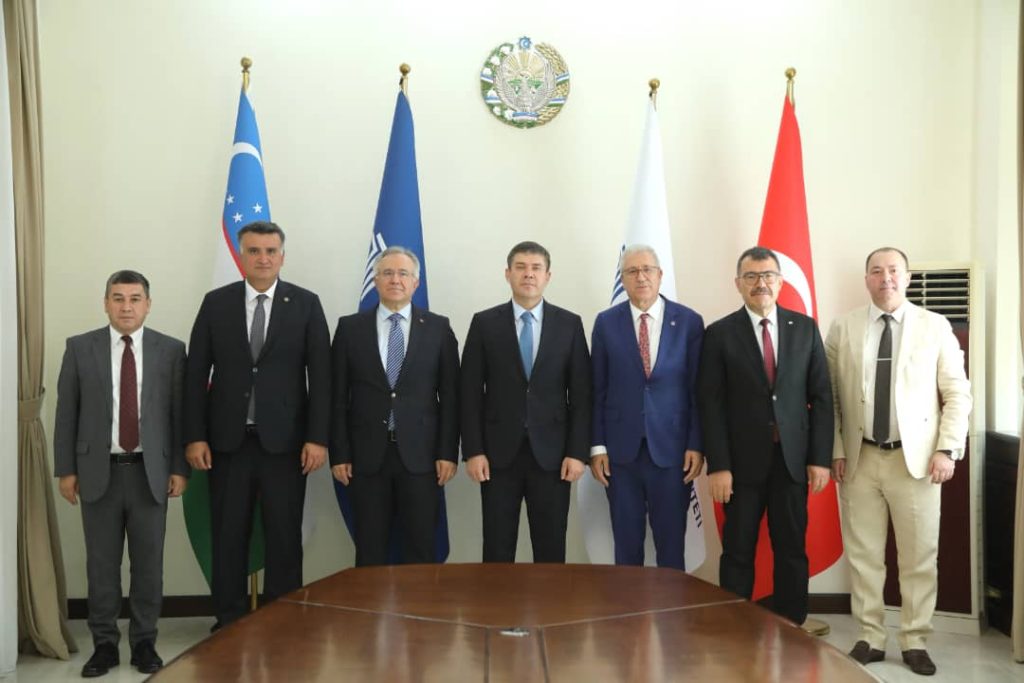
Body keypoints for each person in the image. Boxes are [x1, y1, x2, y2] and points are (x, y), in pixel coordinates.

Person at [826, 247, 971, 676]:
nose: (885, 277)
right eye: (876, 271)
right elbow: (829, 397)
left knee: (919, 557)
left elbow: (957, 393)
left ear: (907, 278)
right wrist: (836, 450)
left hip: (918, 462)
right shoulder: (843, 327)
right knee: (864, 556)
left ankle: (914, 640)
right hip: (860, 458)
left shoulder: (935, 326)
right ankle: (870, 636)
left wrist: (947, 448)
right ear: (866, 280)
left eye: (893, 270)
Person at [184, 221, 330, 629]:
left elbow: (321, 377)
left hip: (286, 446)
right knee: (228, 534)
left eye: (270, 251)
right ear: (241, 255)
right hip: (227, 444)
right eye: (254, 251)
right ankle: (228, 621)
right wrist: (194, 436)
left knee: (284, 536)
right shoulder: (216, 303)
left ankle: (282, 621)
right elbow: (195, 374)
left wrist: (317, 438)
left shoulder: (305, 304)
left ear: (282, 256)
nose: (263, 258)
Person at [54, 270, 187, 677]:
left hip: (151, 474)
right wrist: (66, 470)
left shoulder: (171, 350)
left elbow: (178, 415)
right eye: (118, 298)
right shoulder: (80, 348)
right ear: (105, 303)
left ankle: (144, 643)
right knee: (102, 566)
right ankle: (104, 645)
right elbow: (66, 412)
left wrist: (179, 468)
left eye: (134, 298)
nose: (126, 307)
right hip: (99, 474)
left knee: (148, 566)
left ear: (148, 304)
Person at [697, 246, 833, 625]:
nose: (761, 283)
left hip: (792, 462)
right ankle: (735, 627)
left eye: (768, 275)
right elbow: (710, 405)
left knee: (791, 548)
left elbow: (822, 398)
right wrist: (719, 466)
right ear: (738, 283)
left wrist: (819, 458)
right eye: (752, 277)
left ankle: (792, 624)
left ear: (780, 281)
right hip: (740, 467)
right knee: (737, 550)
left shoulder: (804, 328)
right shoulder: (719, 334)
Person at [461, 241, 591, 563]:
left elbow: (581, 394)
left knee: (550, 550)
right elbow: (469, 393)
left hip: (553, 458)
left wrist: (577, 453)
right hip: (497, 456)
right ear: (507, 274)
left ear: (548, 276)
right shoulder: (484, 323)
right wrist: (474, 450)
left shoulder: (569, 324)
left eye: (536, 268)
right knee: (497, 548)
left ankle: (550, 601)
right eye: (520, 267)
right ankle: (497, 600)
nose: (528, 274)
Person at [330, 246, 459, 565]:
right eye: (387, 273)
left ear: (416, 282)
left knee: (421, 547)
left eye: (403, 273)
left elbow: (451, 397)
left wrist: (447, 452)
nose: (395, 280)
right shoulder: (350, 328)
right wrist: (340, 453)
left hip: (422, 458)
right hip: (366, 457)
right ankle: (371, 602)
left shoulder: (438, 328)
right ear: (375, 280)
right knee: (369, 549)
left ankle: (419, 601)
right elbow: (337, 397)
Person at [590, 244, 704, 570]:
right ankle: (628, 605)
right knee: (626, 546)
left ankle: (671, 603)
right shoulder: (606, 323)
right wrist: (597, 446)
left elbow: (698, 390)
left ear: (660, 275)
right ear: (622, 279)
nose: (640, 277)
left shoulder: (688, 322)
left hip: (672, 452)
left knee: (671, 545)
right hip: (619, 455)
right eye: (632, 271)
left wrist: (696, 443)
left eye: (647, 270)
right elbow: (596, 389)